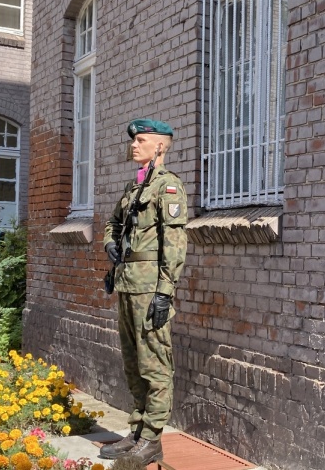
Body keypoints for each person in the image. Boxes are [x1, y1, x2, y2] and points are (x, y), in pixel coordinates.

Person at [99, 118, 188, 465]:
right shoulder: (132, 187)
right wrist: (109, 243)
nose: (134, 145)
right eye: (133, 140)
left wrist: (165, 291)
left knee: (155, 364)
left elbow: (175, 244)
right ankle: (137, 431)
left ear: (160, 146)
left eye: (142, 140)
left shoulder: (168, 187)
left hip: (150, 288)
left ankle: (152, 438)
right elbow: (113, 223)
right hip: (126, 283)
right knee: (133, 362)